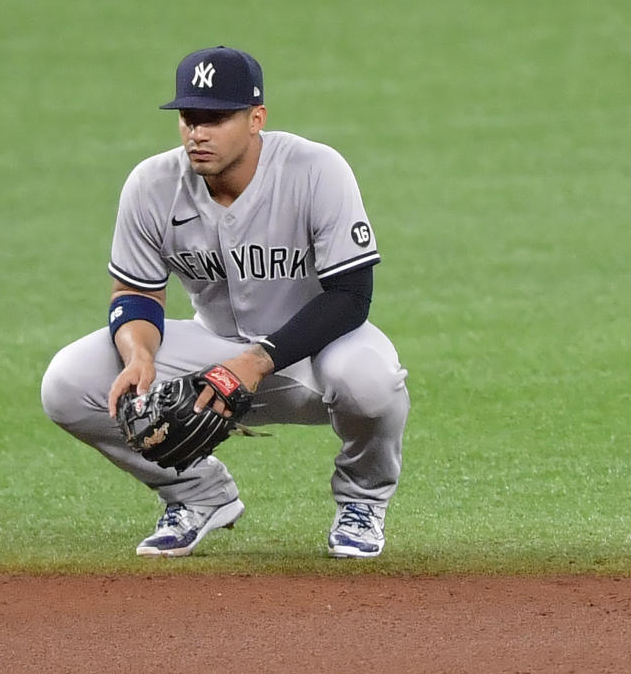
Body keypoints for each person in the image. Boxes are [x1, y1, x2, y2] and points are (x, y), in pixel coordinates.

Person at [40, 46, 409, 559]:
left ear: (256, 119)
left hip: (316, 350)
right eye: (190, 118)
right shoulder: (152, 185)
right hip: (212, 350)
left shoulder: (315, 169)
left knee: (371, 381)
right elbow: (137, 293)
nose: (198, 132)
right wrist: (140, 355)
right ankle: (197, 494)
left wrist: (256, 361)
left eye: (216, 118)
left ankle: (362, 504)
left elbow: (351, 297)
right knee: (67, 382)